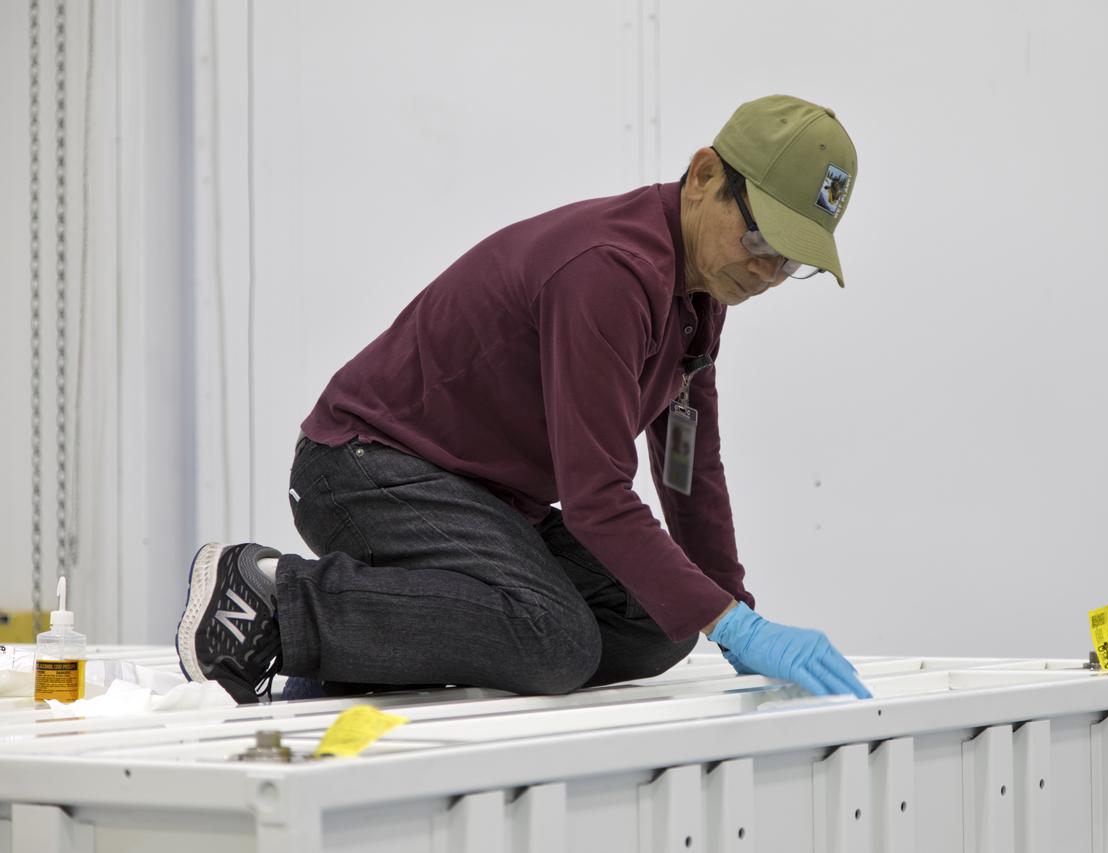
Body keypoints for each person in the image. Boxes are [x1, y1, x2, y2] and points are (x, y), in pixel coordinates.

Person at [175, 94, 873, 704]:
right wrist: (734, 623)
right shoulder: (609, 272)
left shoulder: (698, 300)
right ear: (703, 176)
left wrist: (730, 617)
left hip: (485, 502)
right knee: (555, 642)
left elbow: (690, 474)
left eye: (791, 260)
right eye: (760, 237)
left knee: (666, 622)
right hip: (362, 470)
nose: (767, 271)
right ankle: (268, 596)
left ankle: (364, 657)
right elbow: (596, 496)